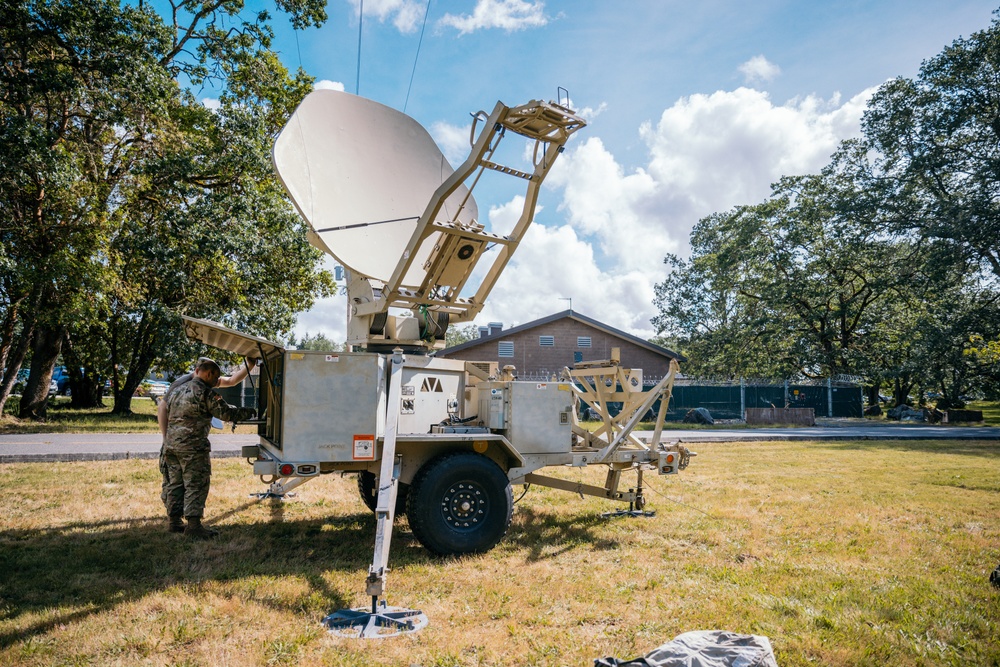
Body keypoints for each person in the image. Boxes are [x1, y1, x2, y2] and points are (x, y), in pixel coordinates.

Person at [160, 357, 256, 538]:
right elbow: (226, 413)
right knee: (196, 484)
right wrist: (250, 411)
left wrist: (166, 439)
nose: (216, 382)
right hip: (192, 447)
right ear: (209, 373)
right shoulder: (206, 393)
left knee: (174, 483)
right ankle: (194, 526)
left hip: (171, 446)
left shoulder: (176, 390)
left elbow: (163, 409)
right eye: (215, 378)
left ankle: (174, 522)